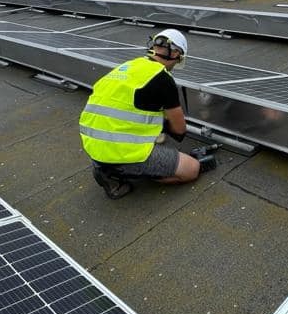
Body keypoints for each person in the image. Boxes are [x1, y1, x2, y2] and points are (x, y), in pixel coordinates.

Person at [79, 28, 201, 199]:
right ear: (176, 54)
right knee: (192, 169)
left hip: (92, 145)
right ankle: (117, 172)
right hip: (118, 151)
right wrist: (164, 122)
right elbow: (180, 130)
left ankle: (105, 166)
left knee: (153, 128)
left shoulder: (130, 66)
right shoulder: (163, 79)